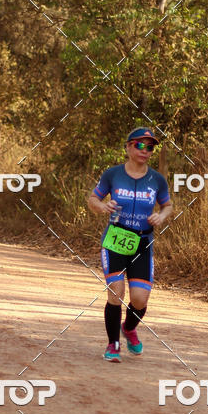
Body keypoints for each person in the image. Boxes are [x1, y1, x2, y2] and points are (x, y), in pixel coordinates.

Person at [88, 127, 173, 362]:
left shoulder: (157, 179)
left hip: (143, 242)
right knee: (116, 292)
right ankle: (113, 344)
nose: (145, 151)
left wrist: (161, 216)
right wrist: (101, 207)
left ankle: (129, 327)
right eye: (140, 145)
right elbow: (93, 198)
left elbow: (167, 205)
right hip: (115, 239)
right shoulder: (112, 174)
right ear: (128, 147)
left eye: (150, 147)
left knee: (139, 299)